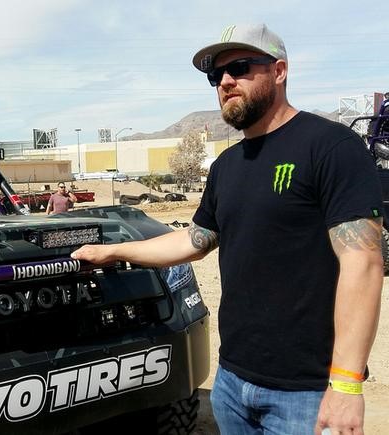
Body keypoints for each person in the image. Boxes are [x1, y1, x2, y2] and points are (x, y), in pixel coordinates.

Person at [71, 23, 383, 434]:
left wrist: (346, 385)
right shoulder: (226, 166)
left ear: (279, 71)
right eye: (215, 75)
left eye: (239, 67)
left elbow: (362, 261)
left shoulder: (330, 146)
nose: (226, 81)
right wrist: (112, 252)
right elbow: (195, 239)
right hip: (232, 384)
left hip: (306, 393)